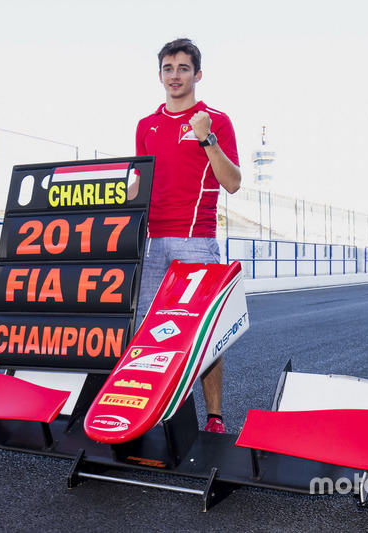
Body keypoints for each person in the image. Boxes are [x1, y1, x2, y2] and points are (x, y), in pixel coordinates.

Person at [135, 38, 242, 433]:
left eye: (183, 68)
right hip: (152, 244)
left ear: (197, 74)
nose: (175, 75)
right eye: (168, 68)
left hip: (195, 241)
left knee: (202, 334)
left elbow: (232, 183)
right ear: (159, 74)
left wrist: (206, 137)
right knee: (148, 335)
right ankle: (150, 415)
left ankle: (214, 417)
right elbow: (138, 186)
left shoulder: (216, 120)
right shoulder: (146, 126)